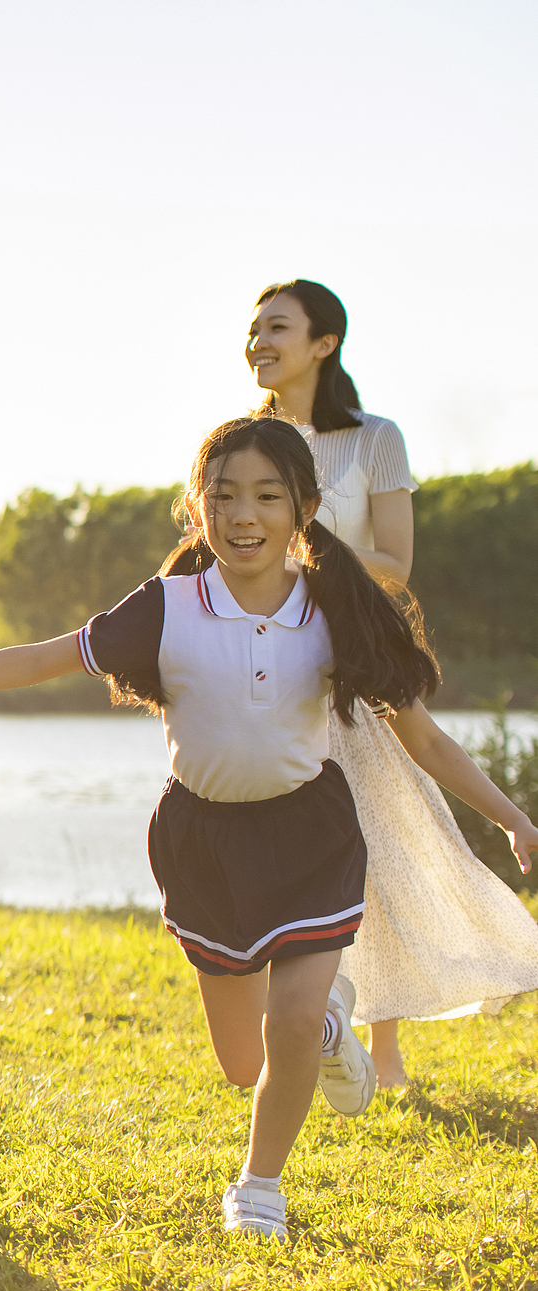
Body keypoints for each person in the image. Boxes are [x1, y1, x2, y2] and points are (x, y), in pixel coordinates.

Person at [0, 416, 537, 1238]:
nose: (244, 513)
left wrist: (513, 818)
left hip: (310, 835)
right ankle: (323, 1028)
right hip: (203, 845)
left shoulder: (336, 605)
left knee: (284, 1023)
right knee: (247, 1063)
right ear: (196, 508)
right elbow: (42, 657)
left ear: (304, 509)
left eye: (267, 496)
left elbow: (421, 735)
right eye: (224, 494)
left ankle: (259, 1188)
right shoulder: (168, 607)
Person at [245, 279, 538, 1089]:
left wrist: (295, 540)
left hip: (356, 656)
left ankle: (385, 1051)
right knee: (285, 848)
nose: (257, 341)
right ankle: (313, 1023)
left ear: (323, 343)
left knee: (378, 842)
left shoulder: (375, 438)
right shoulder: (243, 441)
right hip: (264, 665)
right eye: (253, 329)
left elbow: (396, 568)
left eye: (276, 326)